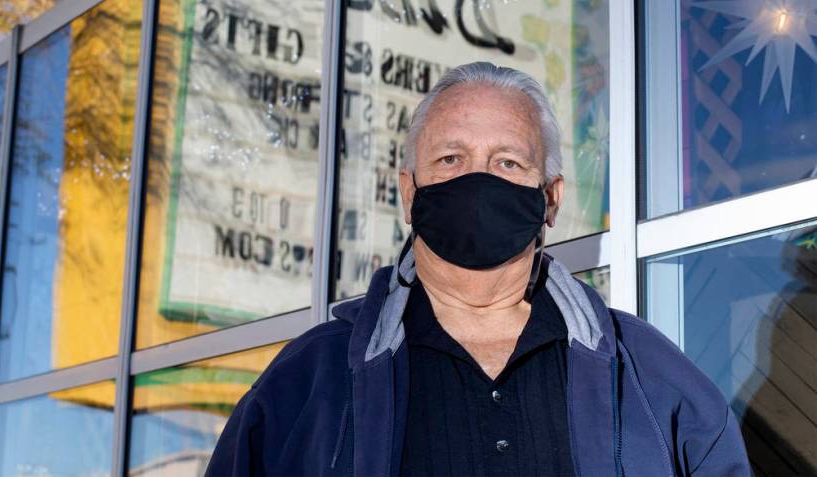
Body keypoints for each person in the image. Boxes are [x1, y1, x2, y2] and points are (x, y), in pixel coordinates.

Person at [205, 62, 750, 476]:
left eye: (507, 162)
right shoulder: (312, 378)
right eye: (450, 159)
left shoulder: (647, 374)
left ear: (550, 199)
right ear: (408, 191)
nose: (477, 181)